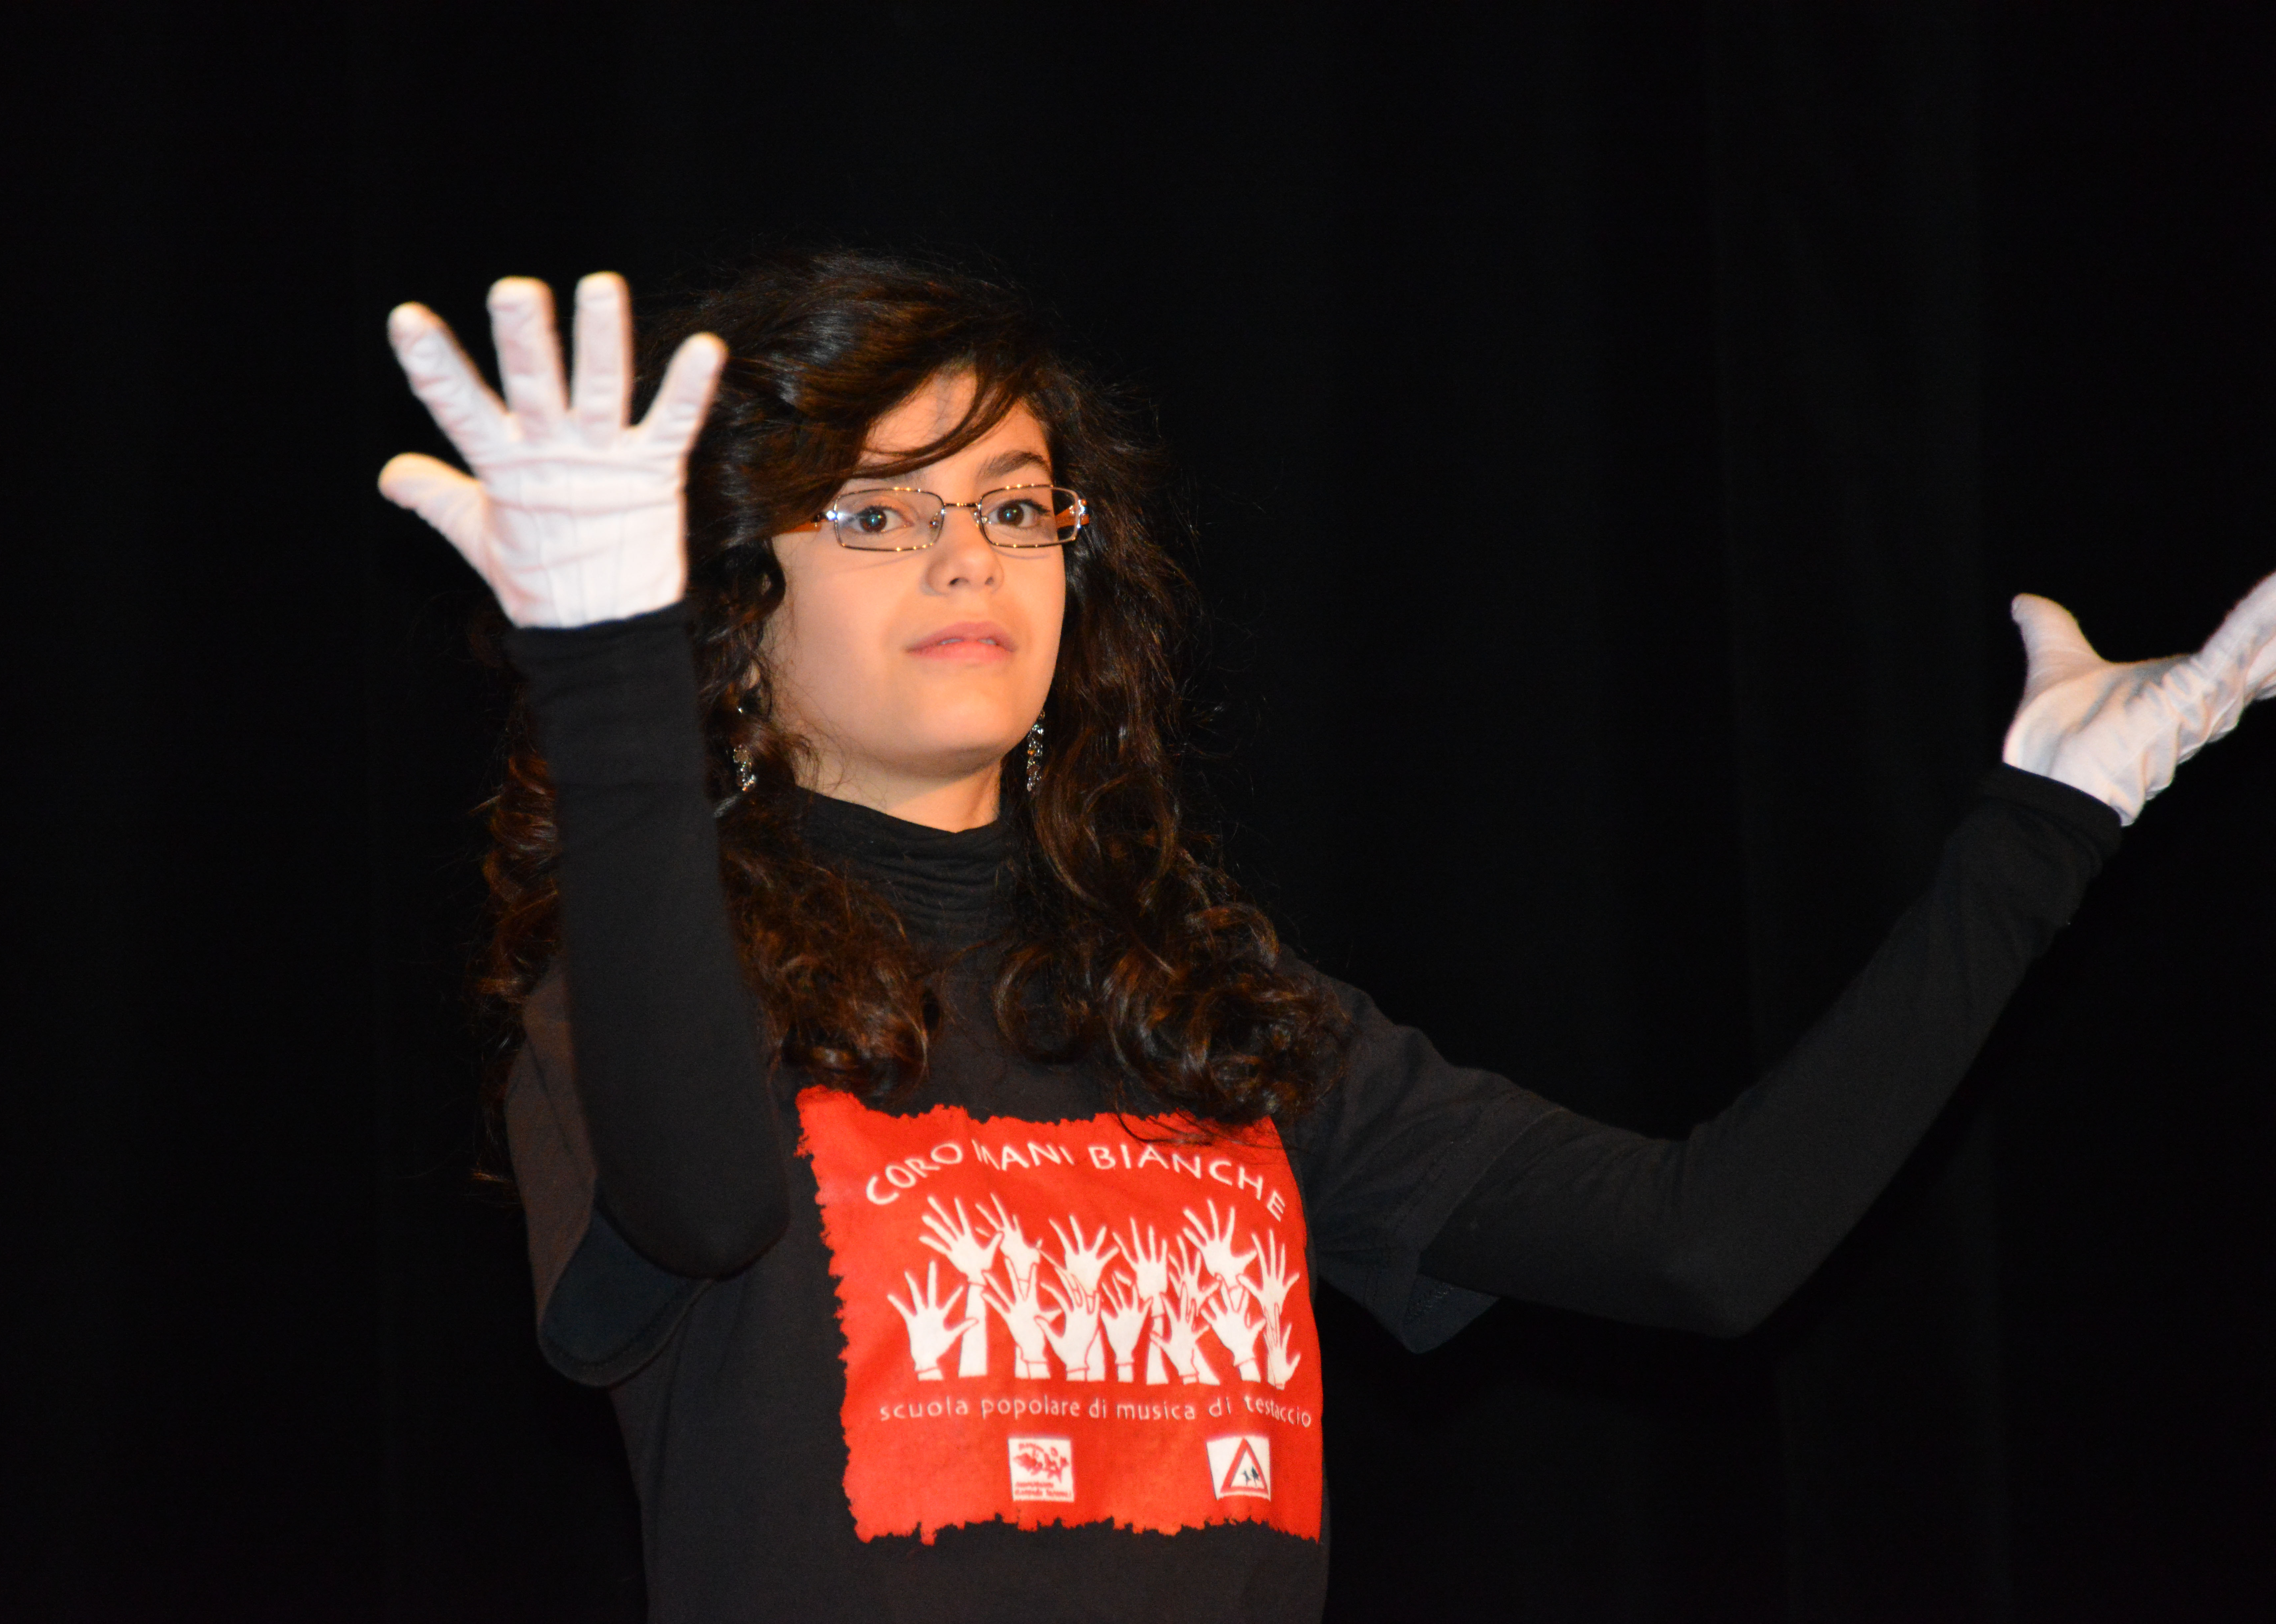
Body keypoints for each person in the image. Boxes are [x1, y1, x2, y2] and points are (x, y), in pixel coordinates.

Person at [377, 252, 2275, 1623]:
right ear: (733, 612)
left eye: (1016, 505)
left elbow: (1707, 1246)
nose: (970, 556)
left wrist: (2046, 827)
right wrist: (608, 675)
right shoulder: (647, 994)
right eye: (876, 516)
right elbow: (707, 1206)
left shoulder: (1207, 1006)